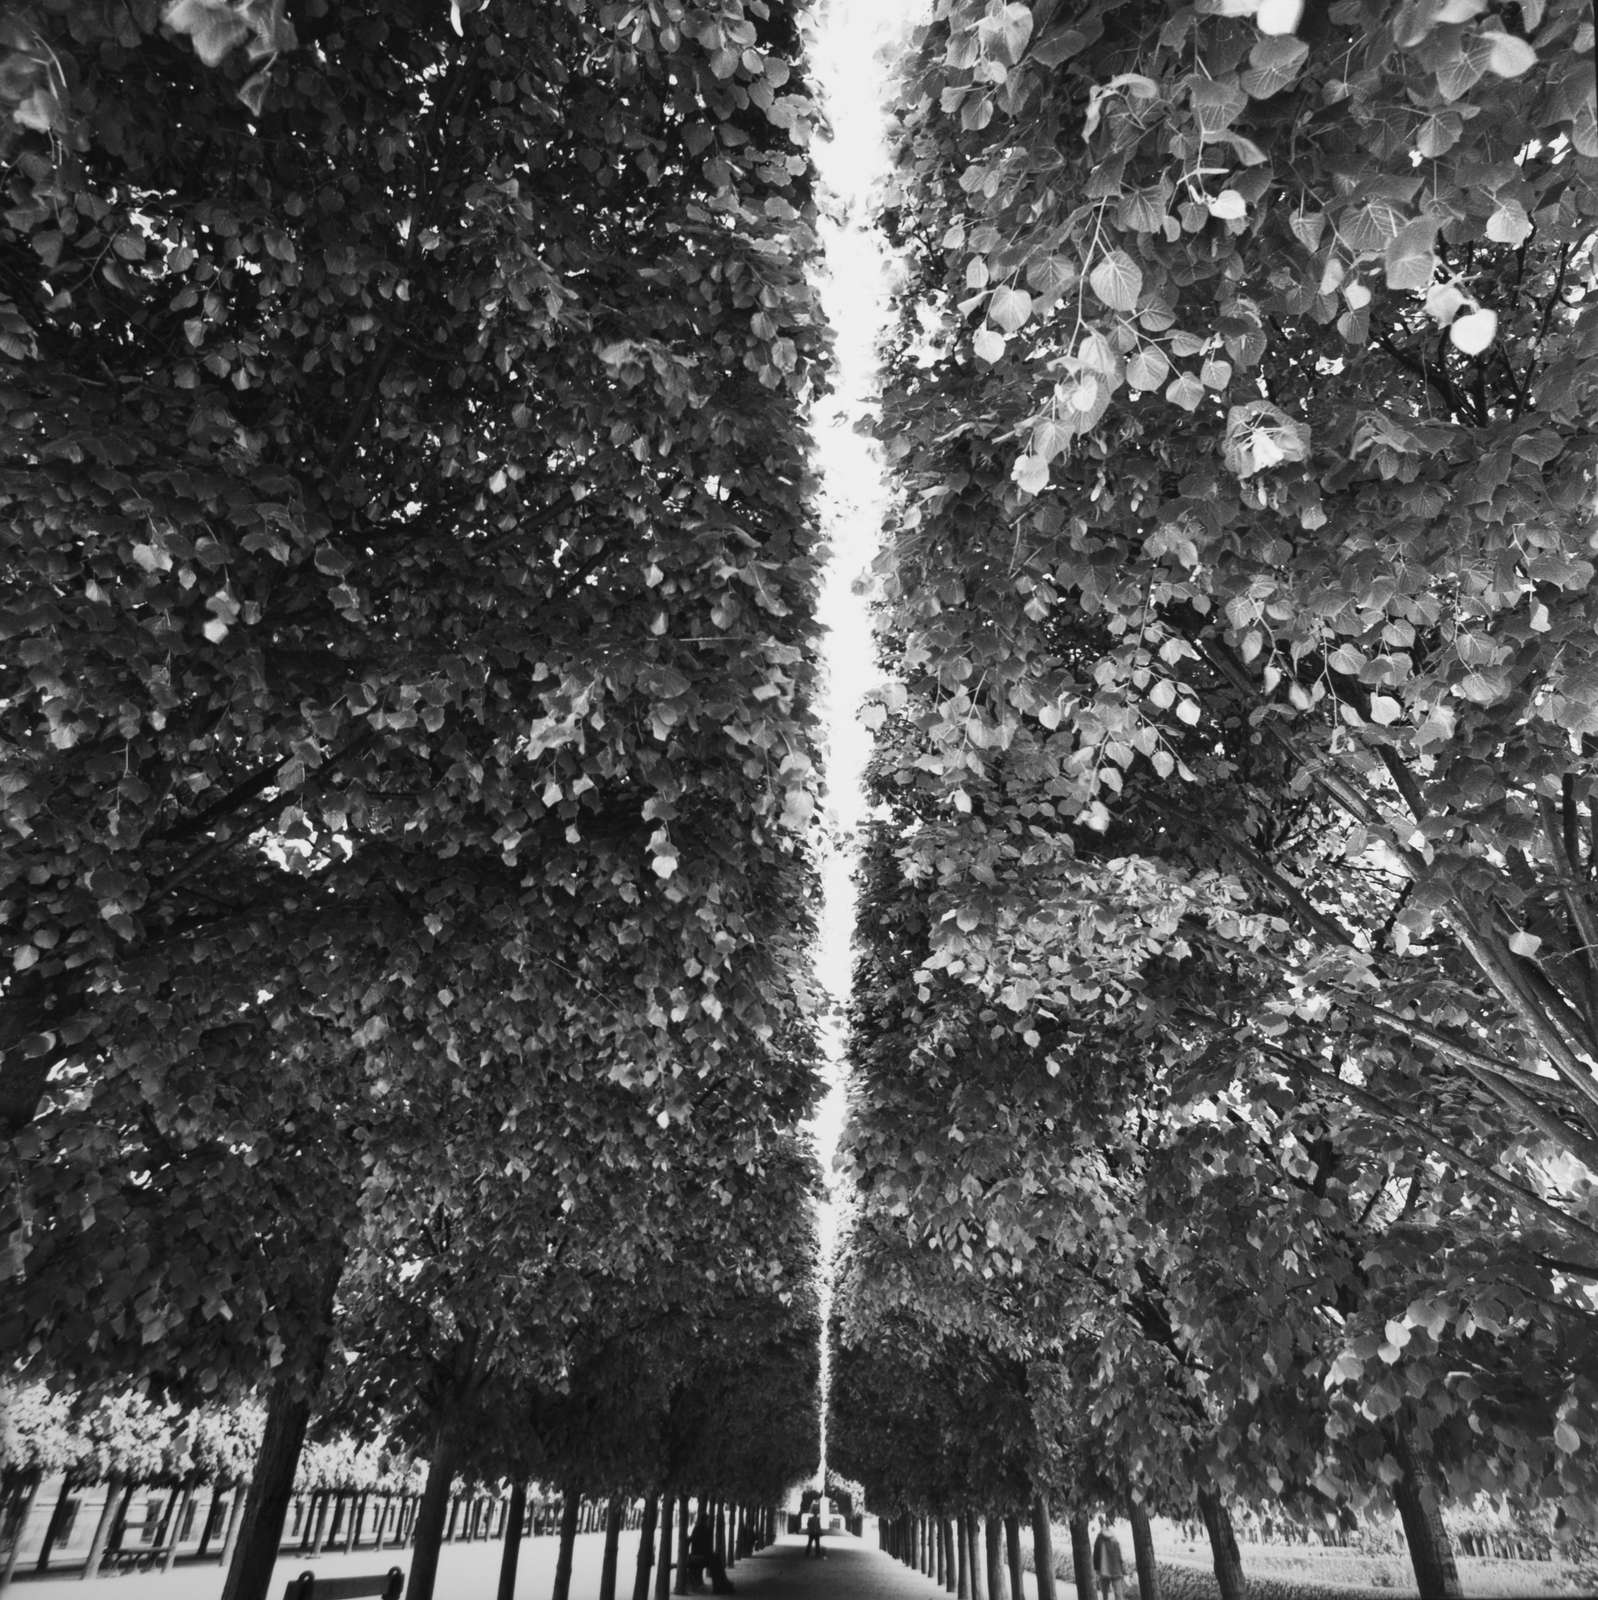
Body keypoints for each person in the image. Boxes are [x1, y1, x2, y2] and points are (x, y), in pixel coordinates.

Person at [688, 1511, 734, 1593]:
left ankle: (721, 1584)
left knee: (716, 1560)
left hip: (697, 1555)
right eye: (708, 1520)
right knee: (716, 1562)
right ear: (705, 1521)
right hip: (700, 1556)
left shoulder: (696, 1529)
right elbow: (706, 1547)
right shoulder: (706, 1530)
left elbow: (695, 1542)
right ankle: (720, 1585)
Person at [1092, 1515, 1125, 1600]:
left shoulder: (1099, 1539)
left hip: (1103, 1569)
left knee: (1105, 1594)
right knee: (1118, 1593)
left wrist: (1096, 1569)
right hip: (1116, 1570)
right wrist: (1122, 1568)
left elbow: (1096, 1555)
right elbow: (1119, 1556)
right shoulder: (1114, 1539)